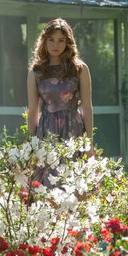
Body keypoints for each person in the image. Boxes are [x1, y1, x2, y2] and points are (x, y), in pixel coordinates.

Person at [27, 18, 94, 158]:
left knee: (73, 176)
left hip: (74, 132)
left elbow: (87, 107)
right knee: (47, 177)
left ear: (68, 42)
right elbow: (33, 110)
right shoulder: (35, 73)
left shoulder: (80, 69)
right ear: (44, 41)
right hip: (46, 133)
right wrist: (30, 144)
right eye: (51, 39)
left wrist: (89, 143)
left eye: (61, 40)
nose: (55, 44)